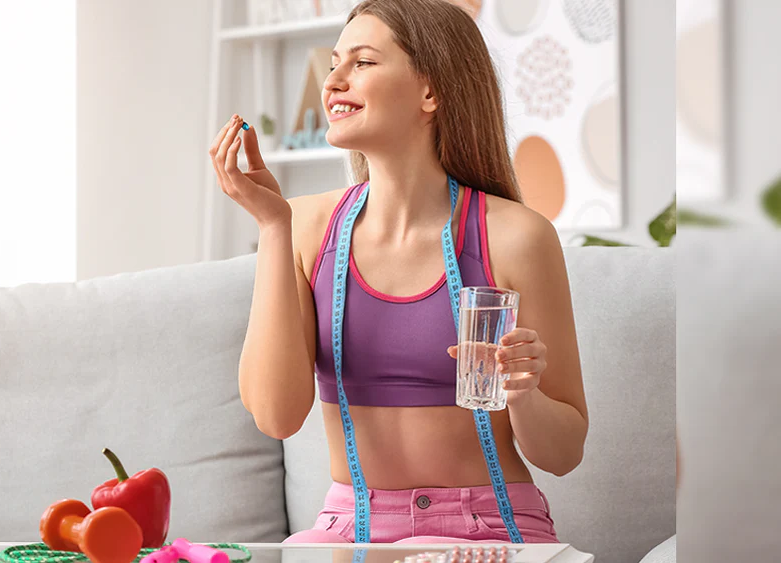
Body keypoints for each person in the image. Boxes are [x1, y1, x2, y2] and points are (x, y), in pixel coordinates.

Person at [208, 0, 588, 544]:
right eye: (333, 62)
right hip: (351, 530)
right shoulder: (305, 227)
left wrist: (523, 393)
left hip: (489, 528)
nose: (332, 80)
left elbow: (565, 452)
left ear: (430, 93)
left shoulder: (515, 237)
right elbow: (276, 416)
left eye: (361, 63)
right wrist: (273, 227)